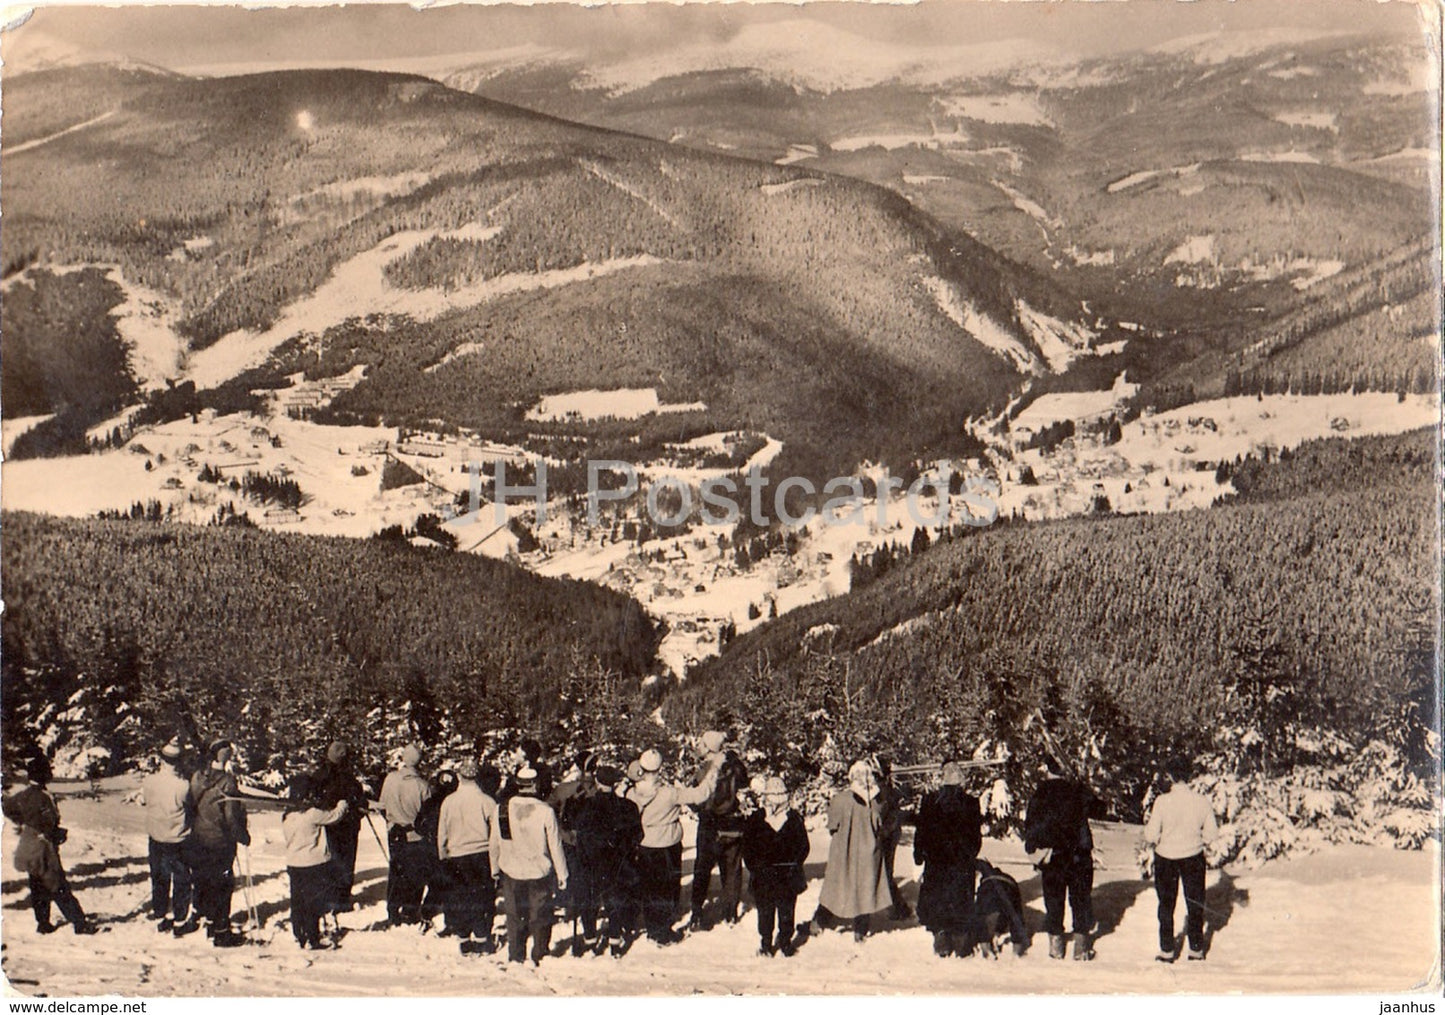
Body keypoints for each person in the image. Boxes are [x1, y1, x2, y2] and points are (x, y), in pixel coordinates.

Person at [626, 749, 718, 943]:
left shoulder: (632, 793)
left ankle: (652, 926)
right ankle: (662, 932)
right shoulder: (668, 793)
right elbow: (700, 794)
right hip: (667, 845)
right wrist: (714, 771)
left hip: (645, 844)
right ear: (660, 768)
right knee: (667, 889)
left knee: (650, 888)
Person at [3, 757, 97, 936]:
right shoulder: (44, 797)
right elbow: (48, 822)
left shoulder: (23, 795)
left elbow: (7, 808)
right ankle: (79, 923)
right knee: (58, 885)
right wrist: (56, 832)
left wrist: (23, 822)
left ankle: (43, 923)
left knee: (37, 884)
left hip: (28, 844)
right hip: (44, 847)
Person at [1143, 756, 1218, 963]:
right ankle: (1196, 949)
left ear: (1169, 776)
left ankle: (1167, 950)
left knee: (1166, 904)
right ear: (1190, 775)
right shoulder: (1201, 801)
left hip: (1166, 857)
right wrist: (1197, 840)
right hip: (1193, 857)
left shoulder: (1162, 802)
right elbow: (1212, 834)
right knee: (1195, 903)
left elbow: (1150, 835)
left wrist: (1161, 839)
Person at [490, 767, 568, 965]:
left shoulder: (501, 809)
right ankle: (540, 952)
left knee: (514, 915)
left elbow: (495, 843)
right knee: (540, 914)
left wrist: (494, 869)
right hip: (538, 871)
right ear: (535, 784)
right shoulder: (545, 811)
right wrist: (562, 873)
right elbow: (555, 845)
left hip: (511, 870)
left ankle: (516, 954)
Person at [1023, 763, 1097, 961]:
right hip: (1079, 854)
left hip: (1053, 855)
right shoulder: (1077, 791)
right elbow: (1100, 809)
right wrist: (1085, 789)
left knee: (1054, 899)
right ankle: (1081, 945)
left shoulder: (1041, 793)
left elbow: (1031, 825)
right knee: (1080, 898)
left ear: (1048, 770)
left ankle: (1056, 944)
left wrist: (1033, 849)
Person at [814, 760, 892, 942]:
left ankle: (818, 923)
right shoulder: (878, 801)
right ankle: (860, 930)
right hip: (869, 854)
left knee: (834, 888)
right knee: (864, 890)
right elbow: (882, 826)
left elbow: (832, 826)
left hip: (843, 853)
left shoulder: (840, 799)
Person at [913, 761, 983, 957]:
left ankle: (941, 936)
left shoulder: (930, 801)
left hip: (937, 860)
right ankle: (961, 940)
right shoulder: (971, 803)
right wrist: (970, 854)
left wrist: (919, 854)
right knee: (960, 898)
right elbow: (976, 836)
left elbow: (921, 831)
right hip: (961, 861)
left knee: (937, 898)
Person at [575, 764, 644, 957]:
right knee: (615, 899)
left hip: (592, 862)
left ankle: (590, 939)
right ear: (615, 783)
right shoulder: (628, 806)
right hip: (618, 861)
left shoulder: (585, 806)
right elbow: (638, 835)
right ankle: (615, 941)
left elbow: (579, 835)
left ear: (597, 782)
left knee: (590, 901)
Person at [187, 739, 249, 947]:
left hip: (199, 838)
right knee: (222, 885)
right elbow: (231, 816)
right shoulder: (227, 782)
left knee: (203, 880)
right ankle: (221, 931)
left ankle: (206, 918)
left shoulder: (197, 776)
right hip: (220, 841)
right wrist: (242, 835)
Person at [741, 776, 808, 957]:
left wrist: (793, 865)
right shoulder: (756, 819)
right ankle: (766, 943)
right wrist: (755, 867)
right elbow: (747, 847)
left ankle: (785, 941)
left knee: (787, 911)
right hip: (764, 876)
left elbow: (803, 846)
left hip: (787, 876)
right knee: (765, 912)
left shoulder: (793, 818)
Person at [688, 731, 749, 930]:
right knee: (732, 870)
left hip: (709, 824)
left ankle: (697, 912)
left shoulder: (705, 769)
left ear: (709, 747)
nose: (699, 747)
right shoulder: (733, 767)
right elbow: (744, 782)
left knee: (702, 869)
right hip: (731, 823)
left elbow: (695, 797)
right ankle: (730, 913)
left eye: (702, 744)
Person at [437, 759, 499, 954]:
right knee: (482, 897)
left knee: (460, 897)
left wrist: (443, 854)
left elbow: (442, 832)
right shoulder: (487, 801)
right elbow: (495, 834)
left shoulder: (449, 801)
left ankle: (464, 938)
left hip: (456, 855)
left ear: (460, 776)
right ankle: (482, 937)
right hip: (481, 854)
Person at [282, 773, 350, 950]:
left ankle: (300, 934)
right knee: (314, 902)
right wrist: (342, 804)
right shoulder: (312, 814)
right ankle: (313, 937)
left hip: (294, 862)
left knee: (298, 901)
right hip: (312, 863)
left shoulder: (287, 815)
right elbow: (334, 816)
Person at [143, 740, 197, 936]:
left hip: (156, 836)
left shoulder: (149, 781)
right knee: (181, 880)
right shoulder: (183, 785)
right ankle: (179, 920)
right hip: (178, 839)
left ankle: (161, 917)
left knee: (159, 877)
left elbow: (147, 801)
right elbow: (190, 807)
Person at [550, 752, 602, 954]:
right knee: (590, 888)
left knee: (573, 881)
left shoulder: (565, 789)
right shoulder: (600, 790)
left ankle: (570, 912)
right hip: (591, 845)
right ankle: (590, 932)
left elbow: (549, 806)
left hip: (569, 843)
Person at [379, 743, 435, 927]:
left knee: (396, 872)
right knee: (416, 874)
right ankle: (410, 912)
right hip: (415, 835)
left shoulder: (390, 779)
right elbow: (427, 814)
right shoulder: (422, 785)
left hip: (395, 833)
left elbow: (383, 805)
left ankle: (393, 910)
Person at [310, 741, 369, 912]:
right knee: (345, 863)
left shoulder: (320, 775)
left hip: (330, 825)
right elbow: (359, 800)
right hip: (344, 826)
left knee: (330, 861)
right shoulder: (346, 777)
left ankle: (332, 898)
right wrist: (359, 810)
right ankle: (341, 899)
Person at [414, 768, 458, 928]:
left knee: (436, 882)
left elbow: (418, 825)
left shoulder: (430, 803)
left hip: (432, 847)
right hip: (452, 847)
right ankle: (450, 918)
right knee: (451, 883)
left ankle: (427, 913)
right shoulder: (456, 803)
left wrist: (428, 834)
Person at [874, 756, 912, 921]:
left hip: (887, 837)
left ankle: (900, 909)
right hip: (887, 835)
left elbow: (890, 817)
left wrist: (881, 833)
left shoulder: (883, 791)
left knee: (885, 874)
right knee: (884, 873)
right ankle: (899, 908)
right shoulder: (884, 789)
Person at [975, 858, 1028, 957]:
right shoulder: (1008, 877)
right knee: (1013, 913)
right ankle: (1017, 949)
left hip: (989, 891)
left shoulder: (985, 881)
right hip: (1009, 889)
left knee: (980, 913)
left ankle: (984, 945)